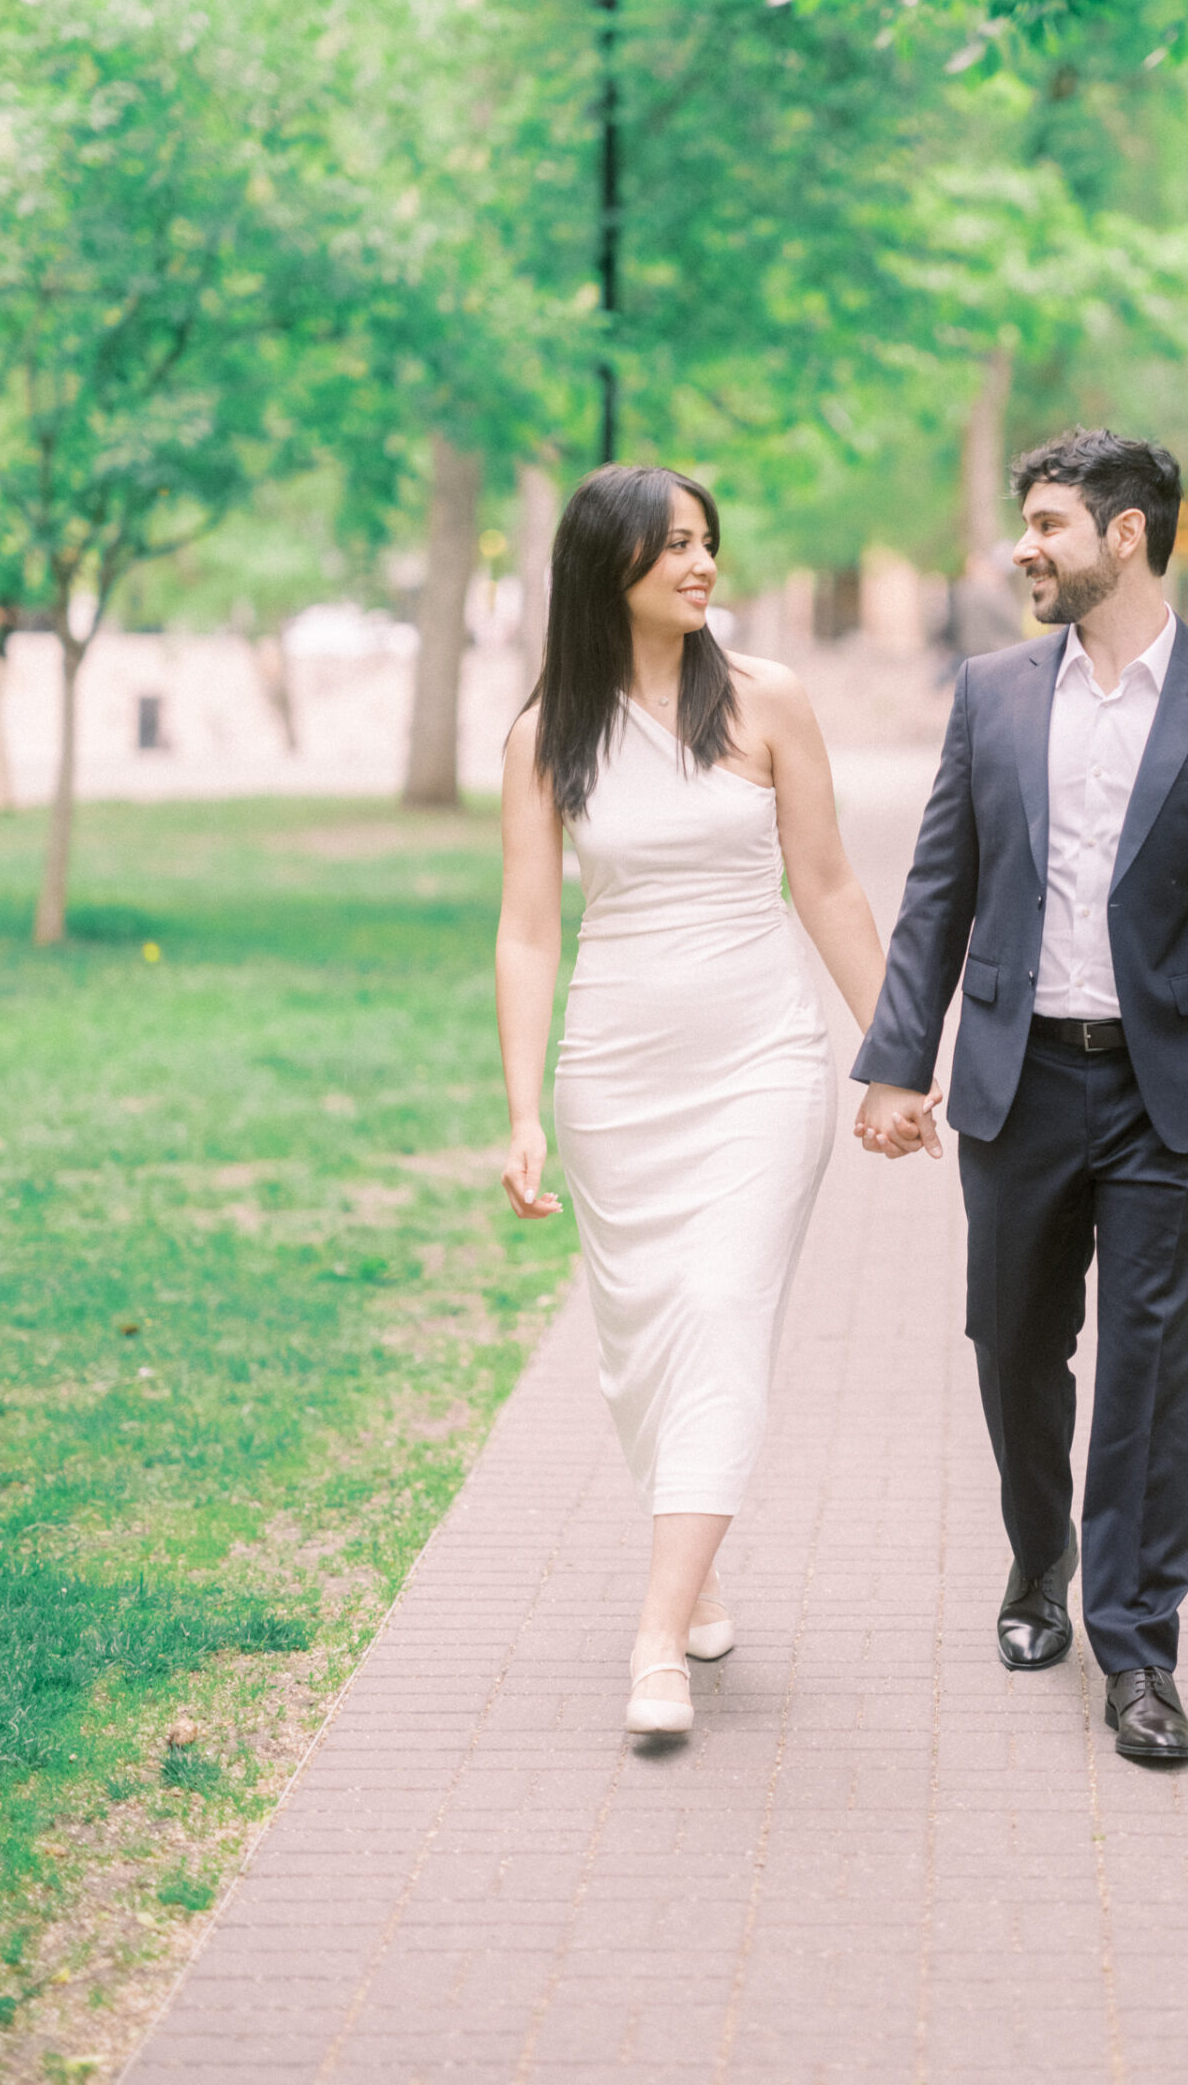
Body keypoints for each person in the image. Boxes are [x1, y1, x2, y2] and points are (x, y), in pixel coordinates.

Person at [854, 430, 1188, 1766]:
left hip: (1171, 1097)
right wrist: (900, 1059)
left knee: (1148, 1373)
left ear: (1126, 535)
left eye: (1051, 524)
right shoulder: (995, 693)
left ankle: (1138, 1652)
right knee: (1011, 1346)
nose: (1026, 548)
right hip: (1020, 1078)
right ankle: (1037, 1553)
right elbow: (939, 888)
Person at [496, 465, 895, 1739]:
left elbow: (827, 885)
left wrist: (895, 1048)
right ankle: (698, 1563)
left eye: (707, 542)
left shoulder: (770, 700)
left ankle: (656, 1636)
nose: (700, 565)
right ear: (603, 563)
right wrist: (520, 1108)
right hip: (614, 1079)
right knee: (643, 1345)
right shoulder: (548, 729)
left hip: (761, 1063)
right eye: (672, 546)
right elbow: (524, 930)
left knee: (721, 1308)